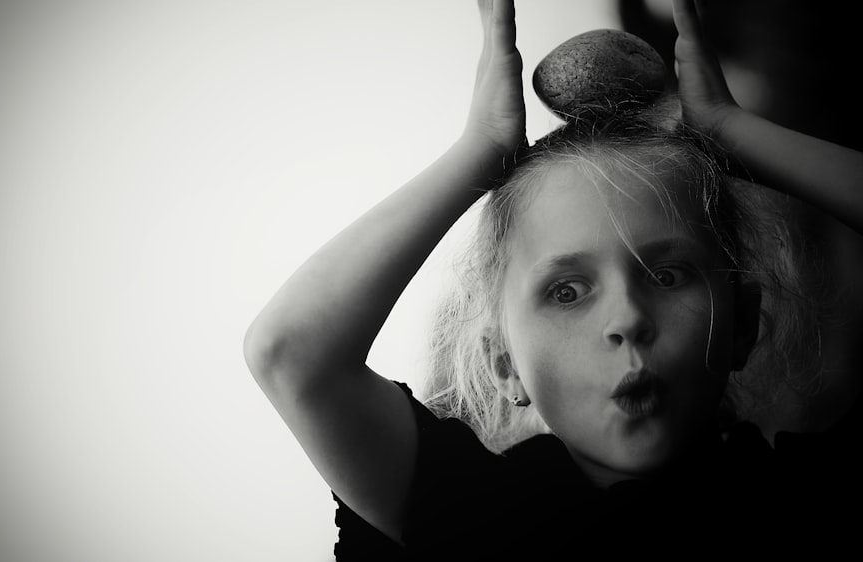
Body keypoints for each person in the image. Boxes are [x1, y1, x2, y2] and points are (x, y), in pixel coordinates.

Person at [243, 0, 863, 558]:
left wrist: (734, 132)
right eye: (566, 292)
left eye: (668, 274)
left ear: (742, 323)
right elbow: (291, 352)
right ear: (504, 363)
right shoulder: (467, 519)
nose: (626, 320)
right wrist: (478, 149)